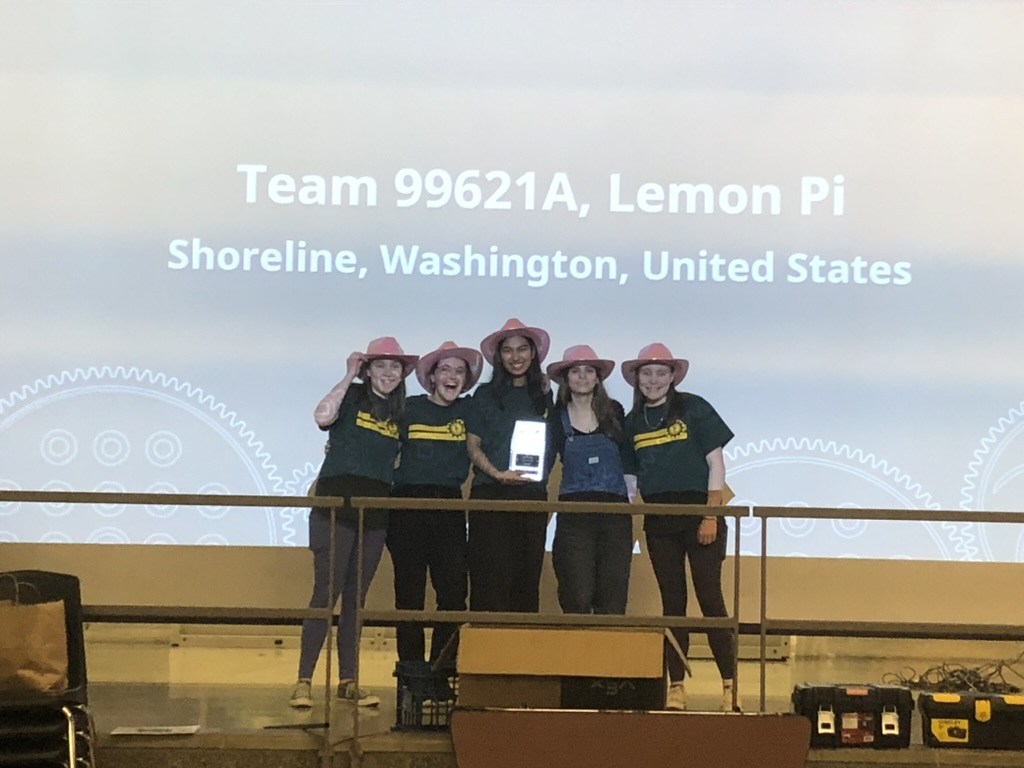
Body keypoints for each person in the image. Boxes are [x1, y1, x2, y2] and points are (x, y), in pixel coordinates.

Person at [289, 336, 418, 709]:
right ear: (367, 369)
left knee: (355, 602)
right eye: (380, 365)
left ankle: (348, 680)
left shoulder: (402, 413)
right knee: (324, 594)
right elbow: (322, 416)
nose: (388, 372)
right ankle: (303, 681)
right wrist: (348, 375)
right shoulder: (351, 398)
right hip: (334, 507)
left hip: (375, 512)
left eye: (395, 366)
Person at [620, 342, 738, 712]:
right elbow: (630, 474)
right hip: (660, 521)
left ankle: (730, 685)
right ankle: (676, 687)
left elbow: (716, 464)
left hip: (700, 514)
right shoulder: (632, 422)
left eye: (660, 373)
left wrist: (709, 516)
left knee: (710, 600)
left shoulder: (694, 407)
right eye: (646, 373)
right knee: (673, 604)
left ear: (673, 377)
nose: (653, 380)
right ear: (636, 379)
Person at [388, 341, 482, 665]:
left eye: (459, 371)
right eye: (445, 369)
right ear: (432, 376)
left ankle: (441, 673)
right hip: (407, 506)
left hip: (450, 507)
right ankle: (412, 675)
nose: (452, 376)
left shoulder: (469, 409)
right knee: (409, 596)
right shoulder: (409, 408)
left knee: (454, 595)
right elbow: (379, 443)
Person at [465, 318, 554, 613]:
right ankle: (485, 656)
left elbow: (552, 447)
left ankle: (522, 656)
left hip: (531, 497)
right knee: (488, 579)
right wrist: (497, 474)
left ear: (533, 354)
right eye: (508, 350)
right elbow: (472, 445)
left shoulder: (544, 396)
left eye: (522, 349)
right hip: (489, 494)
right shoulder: (484, 395)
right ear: (498, 357)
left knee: (527, 580)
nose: (516, 357)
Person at [547, 344, 632, 615]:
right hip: (574, 516)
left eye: (589, 371)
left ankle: (609, 655)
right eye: (575, 371)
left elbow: (630, 459)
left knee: (613, 593)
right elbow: (543, 462)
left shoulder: (615, 412)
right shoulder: (554, 417)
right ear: (565, 377)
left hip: (615, 515)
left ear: (598, 377)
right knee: (576, 593)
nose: (582, 377)